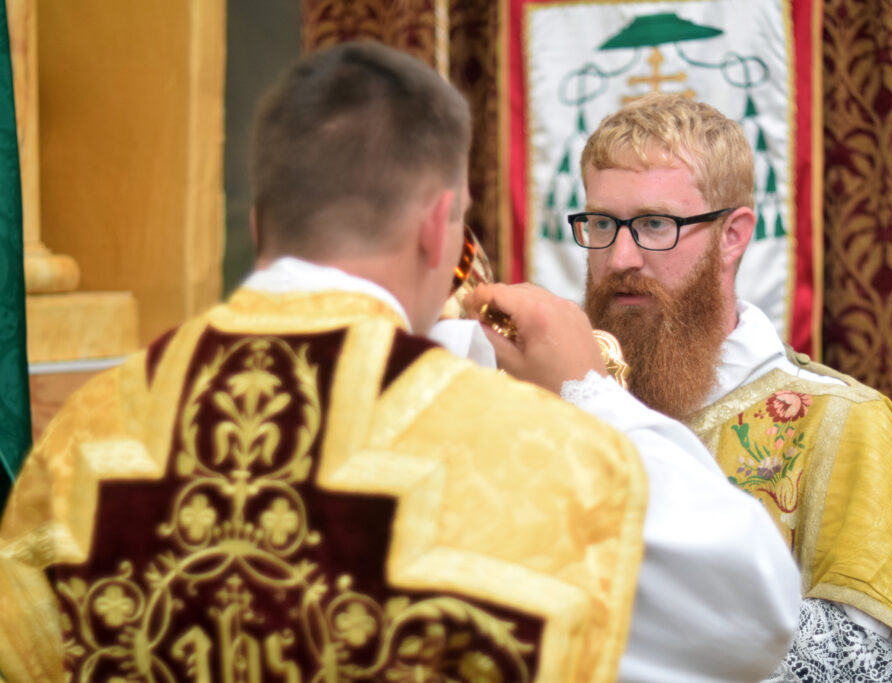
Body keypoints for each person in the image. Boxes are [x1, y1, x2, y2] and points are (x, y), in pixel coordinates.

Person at [0, 44, 800, 682]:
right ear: (436, 226)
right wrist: (589, 388)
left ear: (261, 221)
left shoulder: (87, 435)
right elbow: (753, 610)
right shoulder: (515, 447)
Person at [473, 92, 892, 682]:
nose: (620, 258)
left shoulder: (843, 423)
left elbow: (869, 671)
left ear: (733, 235)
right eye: (601, 224)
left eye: (654, 225)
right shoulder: (534, 409)